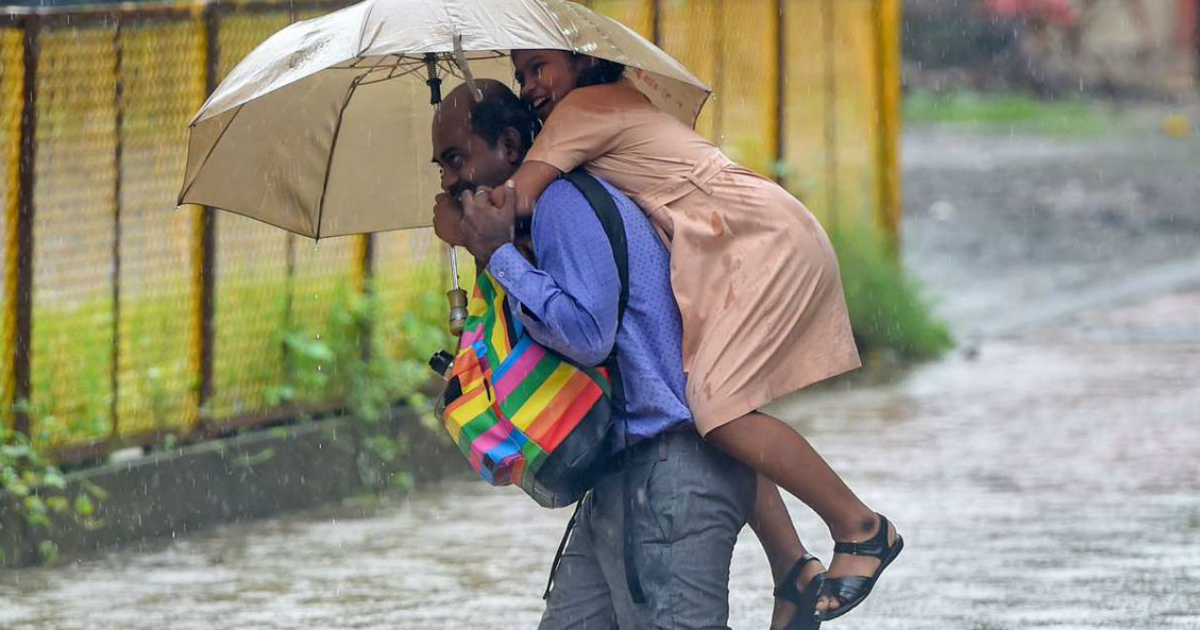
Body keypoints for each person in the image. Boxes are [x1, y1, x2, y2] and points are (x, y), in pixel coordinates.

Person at [468, 50, 905, 627]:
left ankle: (860, 527)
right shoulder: (596, 116)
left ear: (583, 60)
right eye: (521, 75)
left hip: (756, 237)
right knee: (712, 401)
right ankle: (790, 565)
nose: (529, 86)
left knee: (718, 411)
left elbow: (511, 201)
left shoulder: (580, 111)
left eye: (539, 67)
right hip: (725, 243)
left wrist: (466, 218)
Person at [431, 79, 758, 630]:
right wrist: (489, 251)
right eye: (441, 167)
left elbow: (585, 335)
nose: (449, 181)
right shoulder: (532, 228)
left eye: (458, 159)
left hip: (666, 475)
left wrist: (494, 251)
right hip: (619, 476)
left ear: (511, 147)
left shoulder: (564, 202)